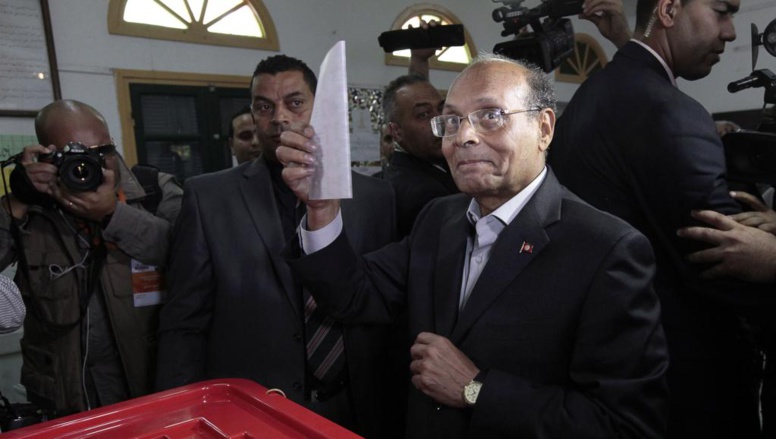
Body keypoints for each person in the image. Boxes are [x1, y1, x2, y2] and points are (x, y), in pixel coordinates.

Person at [278, 54, 668, 439]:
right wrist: (322, 209)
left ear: (544, 128)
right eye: (452, 121)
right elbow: (354, 295)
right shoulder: (439, 219)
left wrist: (476, 390)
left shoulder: (606, 250)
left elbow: (624, 425)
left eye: (491, 116)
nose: (463, 136)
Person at [547, 0, 775, 436]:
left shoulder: (593, 94)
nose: (730, 31)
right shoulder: (672, 110)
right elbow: (723, 261)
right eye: (721, 11)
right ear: (668, 10)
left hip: (608, 367)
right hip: (686, 386)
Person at [155, 55, 402, 439]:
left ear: (320, 107)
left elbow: (386, 309)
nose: (280, 117)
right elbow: (184, 323)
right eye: (264, 107)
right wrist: (178, 417)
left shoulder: (376, 197)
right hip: (254, 408)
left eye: (295, 102)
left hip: (356, 405)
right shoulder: (209, 197)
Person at [0, 99, 182, 416]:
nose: (89, 163)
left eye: (102, 151)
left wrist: (113, 214)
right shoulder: (31, 209)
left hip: (149, 385)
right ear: (45, 156)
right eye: (71, 155)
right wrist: (17, 201)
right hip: (65, 397)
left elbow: (188, 256)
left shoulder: (154, 191)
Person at [380, 73, 458, 236]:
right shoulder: (424, 193)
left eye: (441, 109)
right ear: (396, 132)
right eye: (423, 114)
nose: (439, 122)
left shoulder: (441, 164)